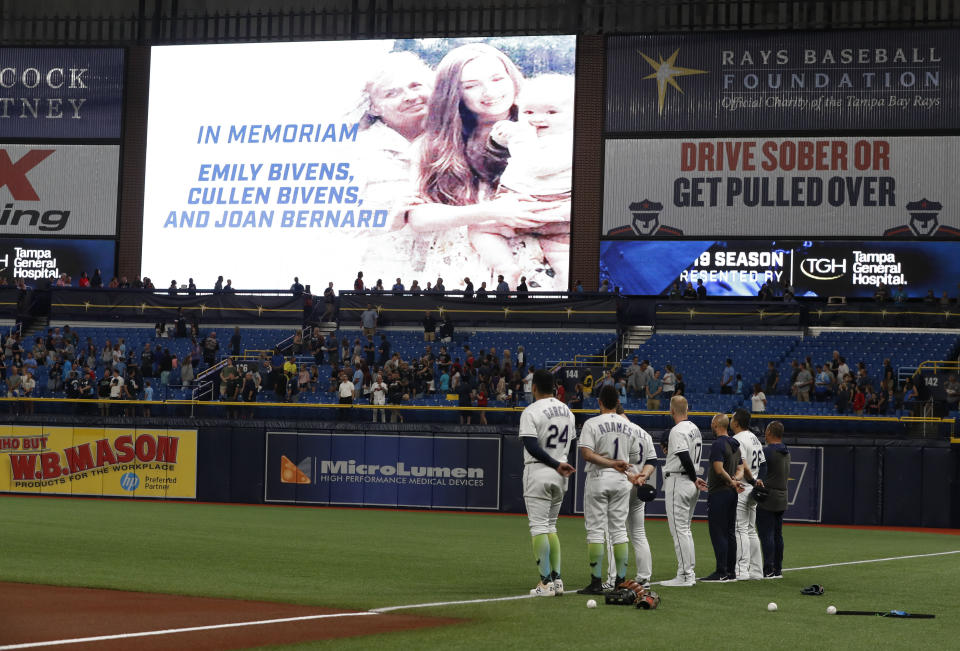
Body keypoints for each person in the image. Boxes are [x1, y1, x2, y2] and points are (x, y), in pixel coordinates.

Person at [407, 43, 568, 292]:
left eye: (497, 79)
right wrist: (492, 211)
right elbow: (418, 217)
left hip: (541, 264)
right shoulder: (432, 145)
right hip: (462, 269)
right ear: (453, 93)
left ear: (512, 79)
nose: (489, 92)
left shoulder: (548, 127)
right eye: (471, 85)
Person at [468, 74, 573, 289]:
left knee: (480, 227)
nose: (537, 118)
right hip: (518, 205)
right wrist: (500, 135)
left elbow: (539, 165)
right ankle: (507, 268)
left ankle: (564, 294)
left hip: (550, 206)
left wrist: (518, 138)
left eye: (551, 112)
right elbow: (500, 146)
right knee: (479, 228)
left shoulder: (571, 141)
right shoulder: (528, 134)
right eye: (528, 112)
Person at [519, 369, 576, 597]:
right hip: (560, 472)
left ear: (534, 387)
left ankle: (545, 583)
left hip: (540, 471)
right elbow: (571, 441)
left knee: (539, 527)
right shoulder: (567, 411)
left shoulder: (531, 410)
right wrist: (559, 463)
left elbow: (531, 447)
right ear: (554, 387)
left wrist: (553, 463)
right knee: (551, 526)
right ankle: (557, 580)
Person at [576, 384, 637, 595]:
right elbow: (635, 455)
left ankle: (595, 582)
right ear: (618, 403)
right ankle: (620, 582)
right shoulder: (629, 425)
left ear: (599, 402)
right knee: (619, 530)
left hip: (599, 477)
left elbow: (586, 454)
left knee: (595, 530)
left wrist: (610, 463)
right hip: (621, 480)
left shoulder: (592, 423)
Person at [602, 405, 657, 590]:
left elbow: (616, 463)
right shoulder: (644, 433)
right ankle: (644, 577)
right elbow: (652, 461)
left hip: (623, 484)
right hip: (639, 485)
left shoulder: (618, 431)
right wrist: (643, 475)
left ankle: (613, 579)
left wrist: (631, 476)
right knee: (639, 533)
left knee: (614, 533)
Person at [660, 395, 708, 587]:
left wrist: (693, 477)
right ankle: (689, 572)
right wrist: (694, 478)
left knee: (679, 531)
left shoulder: (677, 430)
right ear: (687, 409)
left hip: (681, 480)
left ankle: (685, 575)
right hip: (690, 482)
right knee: (685, 530)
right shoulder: (695, 429)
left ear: (672, 411)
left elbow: (684, 457)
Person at [701, 413, 745, 582]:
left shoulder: (718, 444)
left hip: (719, 492)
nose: (711, 426)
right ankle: (730, 571)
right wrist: (735, 480)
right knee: (729, 532)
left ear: (717, 425)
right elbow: (741, 468)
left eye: (712, 423)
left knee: (718, 532)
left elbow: (718, 469)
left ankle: (721, 571)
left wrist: (730, 481)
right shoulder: (735, 444)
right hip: (731, 493)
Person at [730, 409, 765, 580]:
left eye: (732, 418)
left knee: (740, 529)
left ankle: (741, 570)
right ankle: (757, 571)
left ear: (737, 422)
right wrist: (758, 482)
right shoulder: (754, 437)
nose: (730, 420)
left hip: (743, 487)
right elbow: (763, 463)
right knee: (751, 530)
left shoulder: (738, 439)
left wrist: (751, 482)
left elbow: (742, 466)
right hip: (753, 488)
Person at [757, 421, 791, 579]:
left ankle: (769, 569)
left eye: (766, 430)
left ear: (770, 432)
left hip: (769, 497)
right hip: (782, 497)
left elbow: (759, 472)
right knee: (778, 535)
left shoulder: (767, 451)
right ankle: (777, 569)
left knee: (766, 535)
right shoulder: (786, 450)